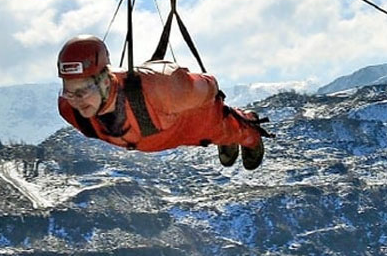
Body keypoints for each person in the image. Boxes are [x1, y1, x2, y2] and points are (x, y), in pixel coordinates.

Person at [57, 35, 267, 169]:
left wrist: (192, 88)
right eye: (69, 91)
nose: (78, 100)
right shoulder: (71, 110)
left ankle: (248, 125)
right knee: (221, 134)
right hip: (159, 132)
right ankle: (228, 137)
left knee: (232, 131)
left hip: (194, 121)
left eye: (85, 90)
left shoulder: (162, 89)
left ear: (105, 79)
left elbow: (209, 84)